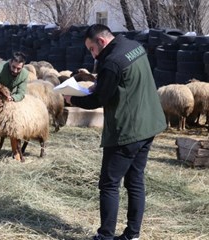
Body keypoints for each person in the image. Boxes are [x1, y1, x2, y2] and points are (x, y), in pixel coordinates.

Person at [63, 24, 166, 240]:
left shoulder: (111, 62)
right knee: (135, 180)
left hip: (127, 131)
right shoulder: (133, 45)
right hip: (150, 123)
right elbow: (122, 81)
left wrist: (73, 98)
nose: (92, 54)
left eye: (92, 49)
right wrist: (99, 83)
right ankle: (133, 235)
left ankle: (105, 235)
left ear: (101, 41)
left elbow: (99, 100)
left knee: (109, 184)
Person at [0, 51, 29, 162]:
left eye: (18, 69)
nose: (15, 70)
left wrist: (13, 98)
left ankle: (15, 151)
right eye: (13, 67)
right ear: (10, 62)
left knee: (13, 122)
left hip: (10, 98)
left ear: (23, 67)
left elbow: (21, 93)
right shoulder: (0, 68)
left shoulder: (25, 74)